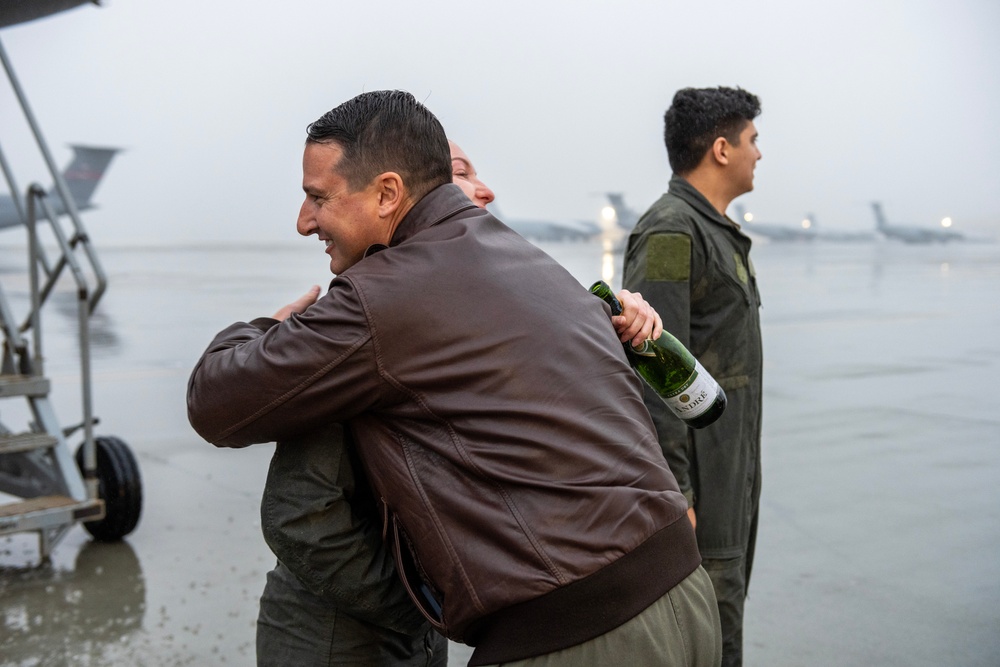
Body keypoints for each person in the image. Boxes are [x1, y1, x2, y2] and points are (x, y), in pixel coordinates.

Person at [188, 90, 722, 666]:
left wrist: (269, 326)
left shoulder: (381, 298)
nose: (303, 221)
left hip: (574, 630)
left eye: (318, 197)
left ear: (389, 192)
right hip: (686, 595)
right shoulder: (537, 266)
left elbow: (214, 402)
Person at [253, 138, 654, 666]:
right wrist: (434, 603)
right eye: (462, 174)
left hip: (420, 628)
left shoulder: (470, 313)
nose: (484, 192)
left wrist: (615, 325)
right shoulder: (357, 330)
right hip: (339, 638)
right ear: (407, 195)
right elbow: (302, 514)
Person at [621, 86, 763, 667]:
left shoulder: (715, 230)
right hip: (698, 491)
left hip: (730, 478)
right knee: (709, 641)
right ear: (722, 149)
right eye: (754, 141)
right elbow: (649, 368)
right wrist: (674, 495)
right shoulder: (673, 232)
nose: (761, 154)